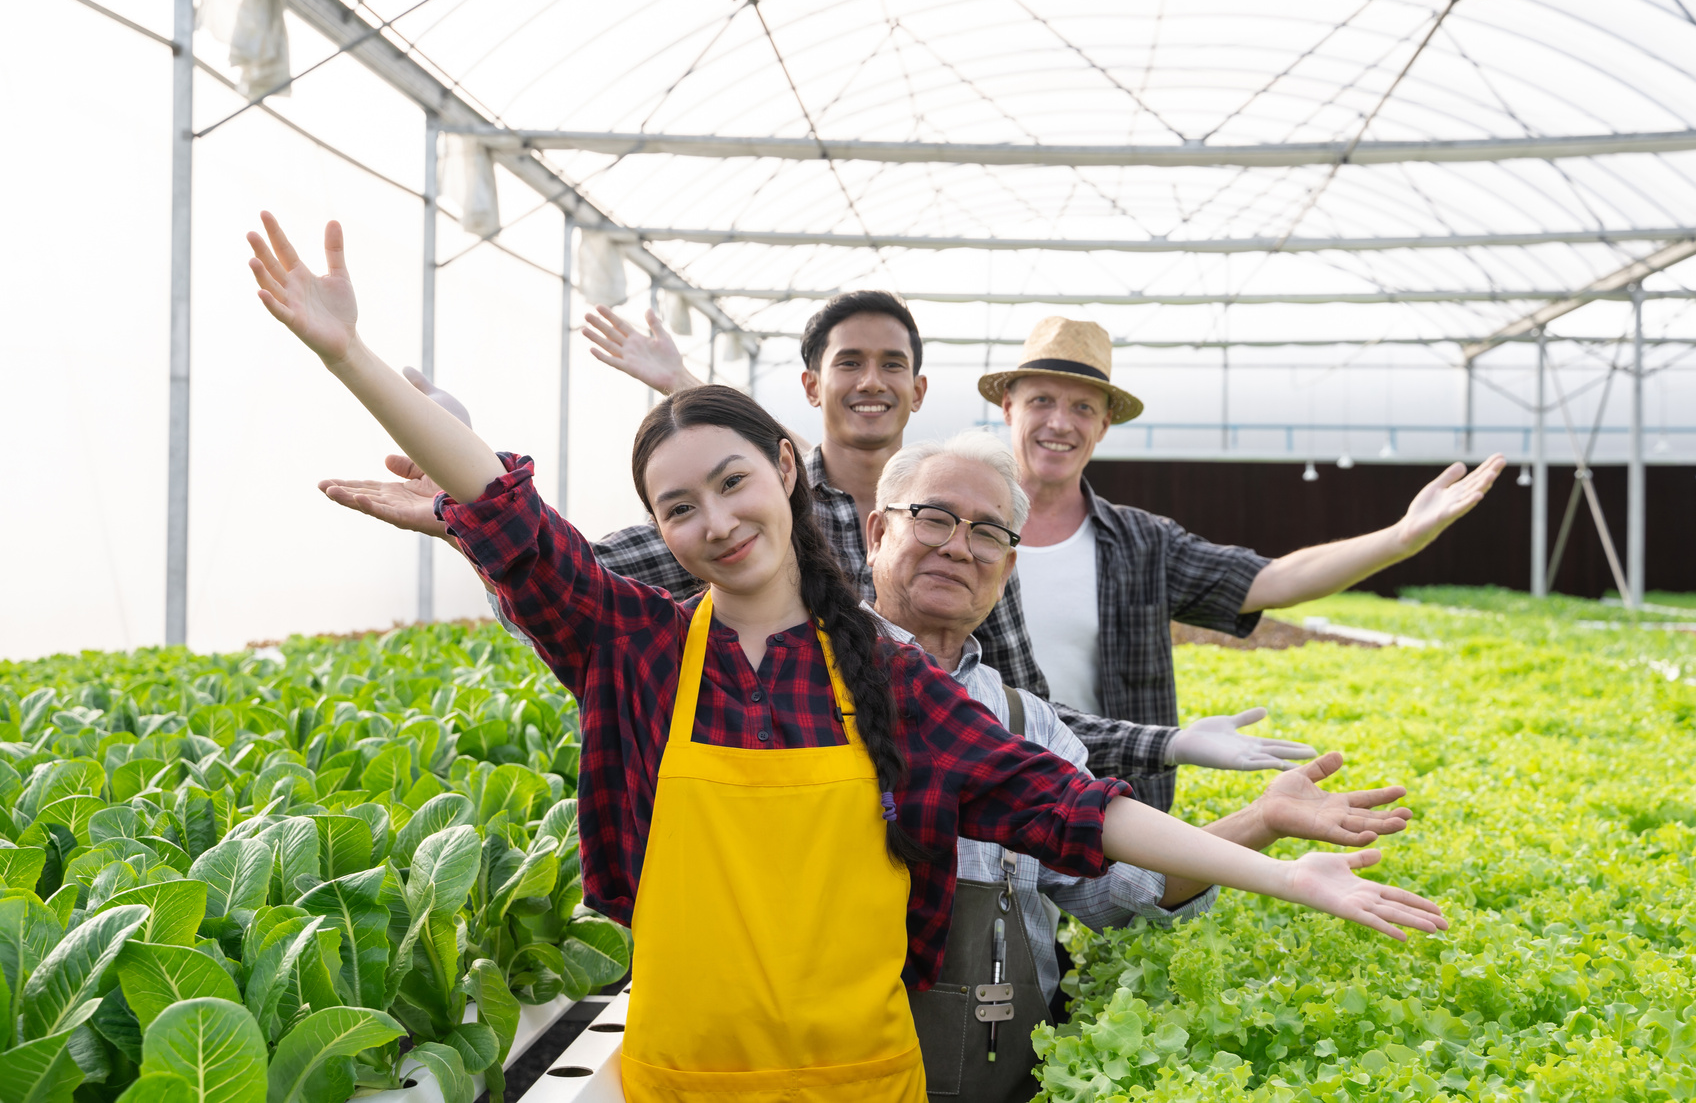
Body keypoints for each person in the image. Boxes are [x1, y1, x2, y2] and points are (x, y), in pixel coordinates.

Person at [246, 213, 1447, 1102]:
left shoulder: (896, 690)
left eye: (731, 483)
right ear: (659, 534)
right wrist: (348, 357)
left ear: (787, 475)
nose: (714, 521)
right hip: (673, 1076)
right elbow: (506, 513)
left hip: (867, 1078)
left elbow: (1080, 811)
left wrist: (1288, 868)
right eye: (677, 509)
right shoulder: (634, 650)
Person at [319, 296, 1319, 783]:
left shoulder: (955, 527)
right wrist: (468, 503)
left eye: (893, 365)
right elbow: (568, 581)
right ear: (811, 388)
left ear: (921, 392)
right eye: (849, 363)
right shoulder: (750, 521)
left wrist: (1166, 748)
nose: (871, 381)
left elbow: (1013, 716)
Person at [863, 431, 1416, 1101]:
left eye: (986, 532)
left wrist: (1263, 819)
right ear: (876, 531)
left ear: (1006, 569)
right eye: (935, 517)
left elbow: (1122, 887)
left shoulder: (1027, 723)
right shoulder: (807, 684)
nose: (957, 545)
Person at [979, 317, 1507, 809]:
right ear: (1009, 408)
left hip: (1111, 806)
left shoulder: (1142, 543)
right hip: (988, 795)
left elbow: (1273, 580)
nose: (1059, 423)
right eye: (1041, 400)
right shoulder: (961, 529)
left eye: (1083, 408)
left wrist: (1400, 538)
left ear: (1105, 424)